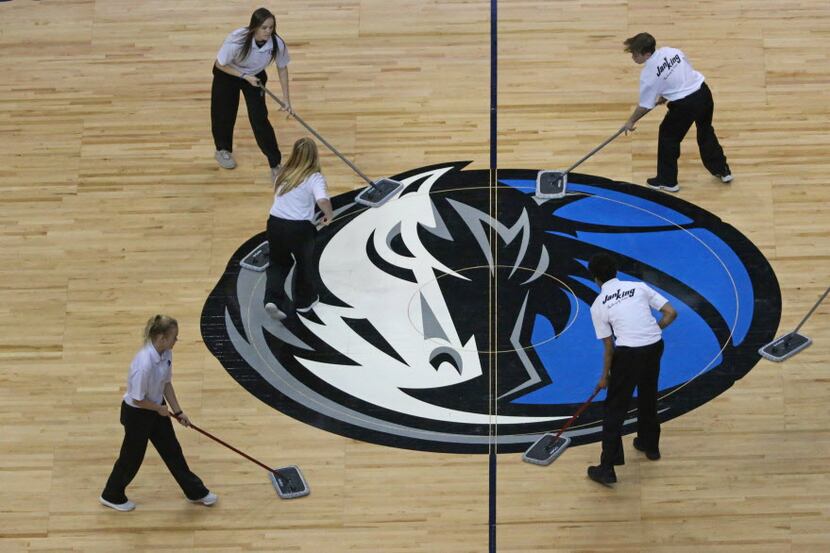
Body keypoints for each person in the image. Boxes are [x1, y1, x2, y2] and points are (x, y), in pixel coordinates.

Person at [100, 315, 216, 511]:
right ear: (162, 338)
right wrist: (159, 409)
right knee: (131, 457)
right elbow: (137, 399)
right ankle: (111, 495)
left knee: (172, 451)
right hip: (138, 414)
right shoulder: (143, 365)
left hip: (155, 408)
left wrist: (178, 411)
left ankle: (195, 491)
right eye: (174, 337)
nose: (176, 341)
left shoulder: (166, 353)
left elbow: (166, 384)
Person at [586, 253, 678, 486]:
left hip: (628, 355)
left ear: (595, 279)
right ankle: (650, 445)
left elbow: (609, 345)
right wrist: (653, 329)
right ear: (615, 271)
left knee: (615, 409)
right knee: (648, 394)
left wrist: (604, 376)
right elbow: (671, 313)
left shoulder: (598, 305)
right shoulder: (638, 287)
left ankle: (607, 467)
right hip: (654, 346)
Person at [622, 32, 732, 193]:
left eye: (634, 54)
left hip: (685, 105)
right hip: (703, 92)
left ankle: (667, 181)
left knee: (668, 137)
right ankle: (722, 170)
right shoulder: (671, 51)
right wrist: (667, 94)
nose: (633, 57)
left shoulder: (648, 74)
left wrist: (631, 121)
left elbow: (645, 105)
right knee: (706, 130)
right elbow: (682, 72)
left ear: (646, 54)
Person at [212, 8, 293, 182]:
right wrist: (243, 76)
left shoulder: (277, 43)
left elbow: (282, 68)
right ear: (254, 27)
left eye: (271, 27)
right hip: (227, 75)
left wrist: (286, 99)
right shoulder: (237, 40)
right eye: (264, 27)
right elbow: (220, 64)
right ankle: (223, 150)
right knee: (224, 114)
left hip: (254, 77)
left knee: (259, 119)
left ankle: (275, 165)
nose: (268, 31)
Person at [264, 137, 333, 319]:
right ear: (314, 156)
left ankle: (271, 299)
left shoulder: (282, 173)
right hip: (299, 229)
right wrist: (329, 214)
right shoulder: (314, 177)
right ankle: (304, 302)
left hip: (275, 223)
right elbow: (322, 200)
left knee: (278, 263)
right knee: (304, 263)